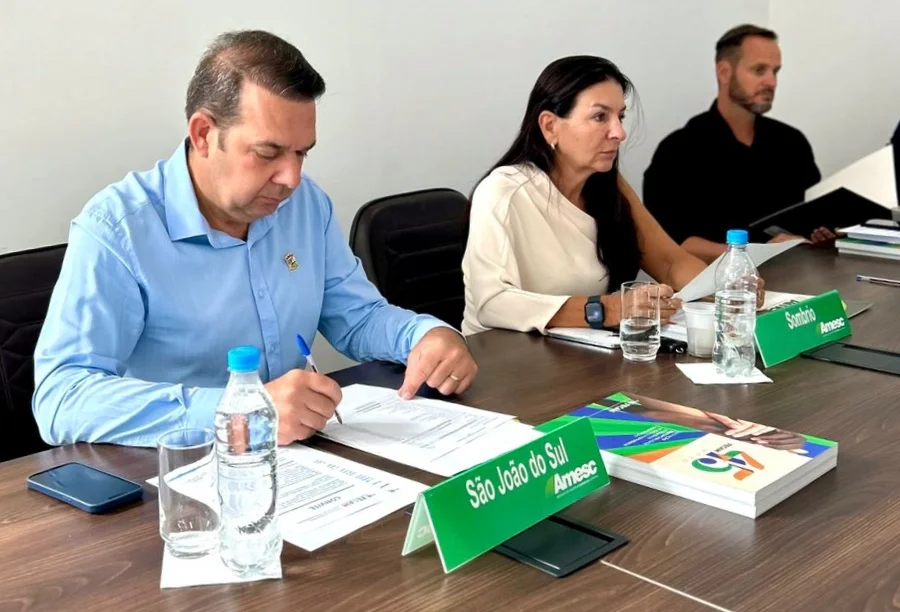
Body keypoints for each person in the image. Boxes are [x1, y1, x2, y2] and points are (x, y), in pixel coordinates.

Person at [32, 30, 477, 448]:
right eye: (268, 153)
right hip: (173, 482)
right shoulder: (118, 229)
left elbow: (355, 316)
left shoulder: (305, 206)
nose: (291, 178)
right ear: (204, 134)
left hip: (298, 464)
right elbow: (62, 398)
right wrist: (239, 412)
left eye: (302, 152)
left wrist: (423, 336)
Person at [462, 55, 716, 337]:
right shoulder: (503, 191)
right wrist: (606, 309)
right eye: (600, 117)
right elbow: (492, 303)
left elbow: (671, 262)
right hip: (505, 361)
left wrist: (723, 288)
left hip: (581, 357)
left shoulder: (608, 186)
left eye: (620, 116)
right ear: (549, 126)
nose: (619, 133)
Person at [643, 24, 836, 264]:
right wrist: (756, 251)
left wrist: (823, 236)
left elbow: (812, 216)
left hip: (798, 280)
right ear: (724, 73)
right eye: (759, 70)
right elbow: (671, 241)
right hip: (713, 290)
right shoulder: (678, 151)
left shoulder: (791, 142)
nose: (771, 82)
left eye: (775, 72)